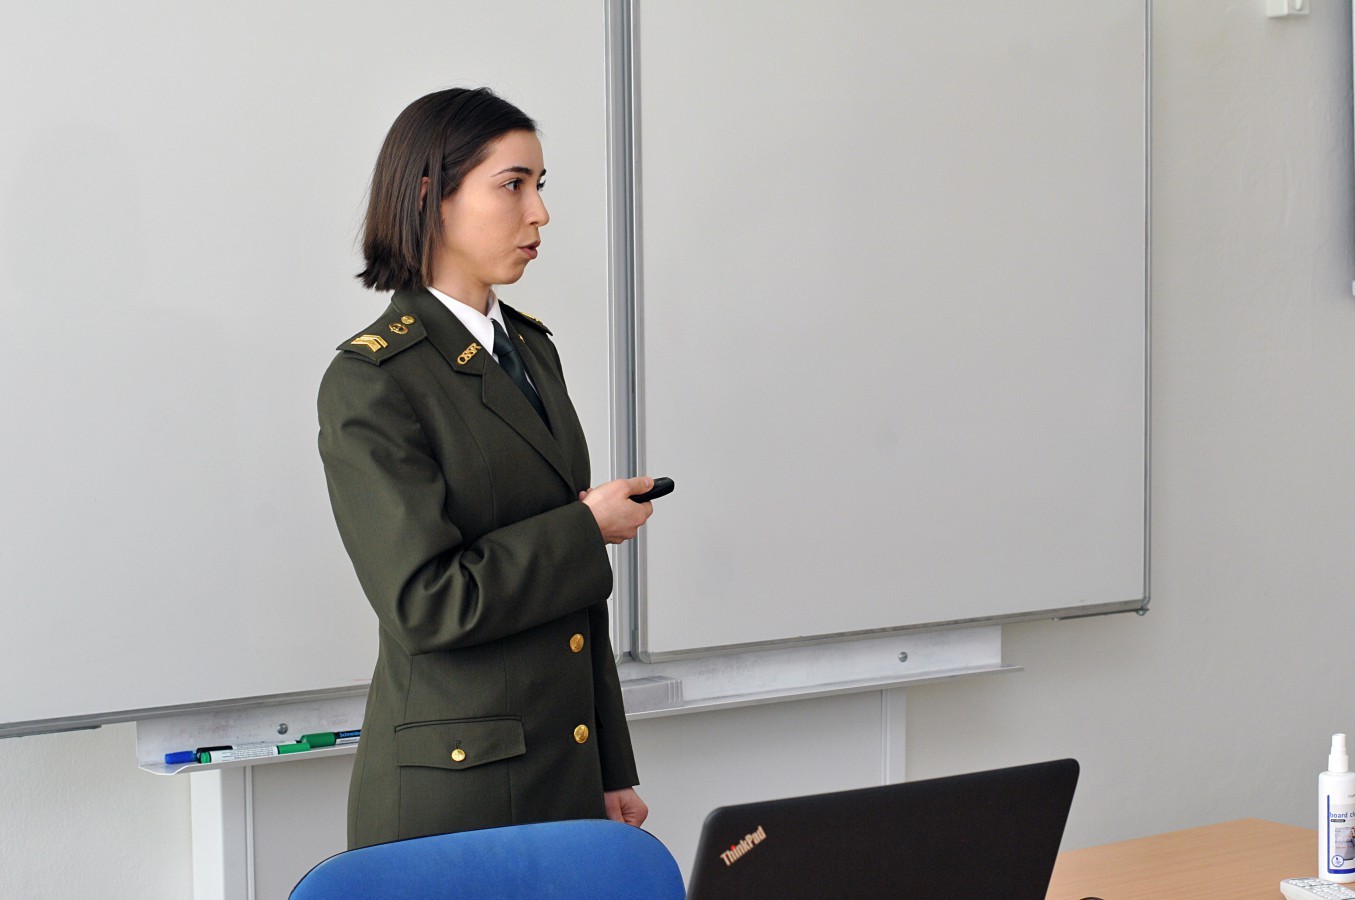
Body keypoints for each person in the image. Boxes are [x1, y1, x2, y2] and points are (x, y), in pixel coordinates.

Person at [317, 87, 652, 849]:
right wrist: (585, 528)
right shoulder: (374, 379)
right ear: (429, 196)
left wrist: (607, 765)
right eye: (512, 185)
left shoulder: (530, 349)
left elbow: (571, 605)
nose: (540, 213)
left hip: (561, 770)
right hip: (456, 797)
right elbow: (426, 603)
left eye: (540, 186)